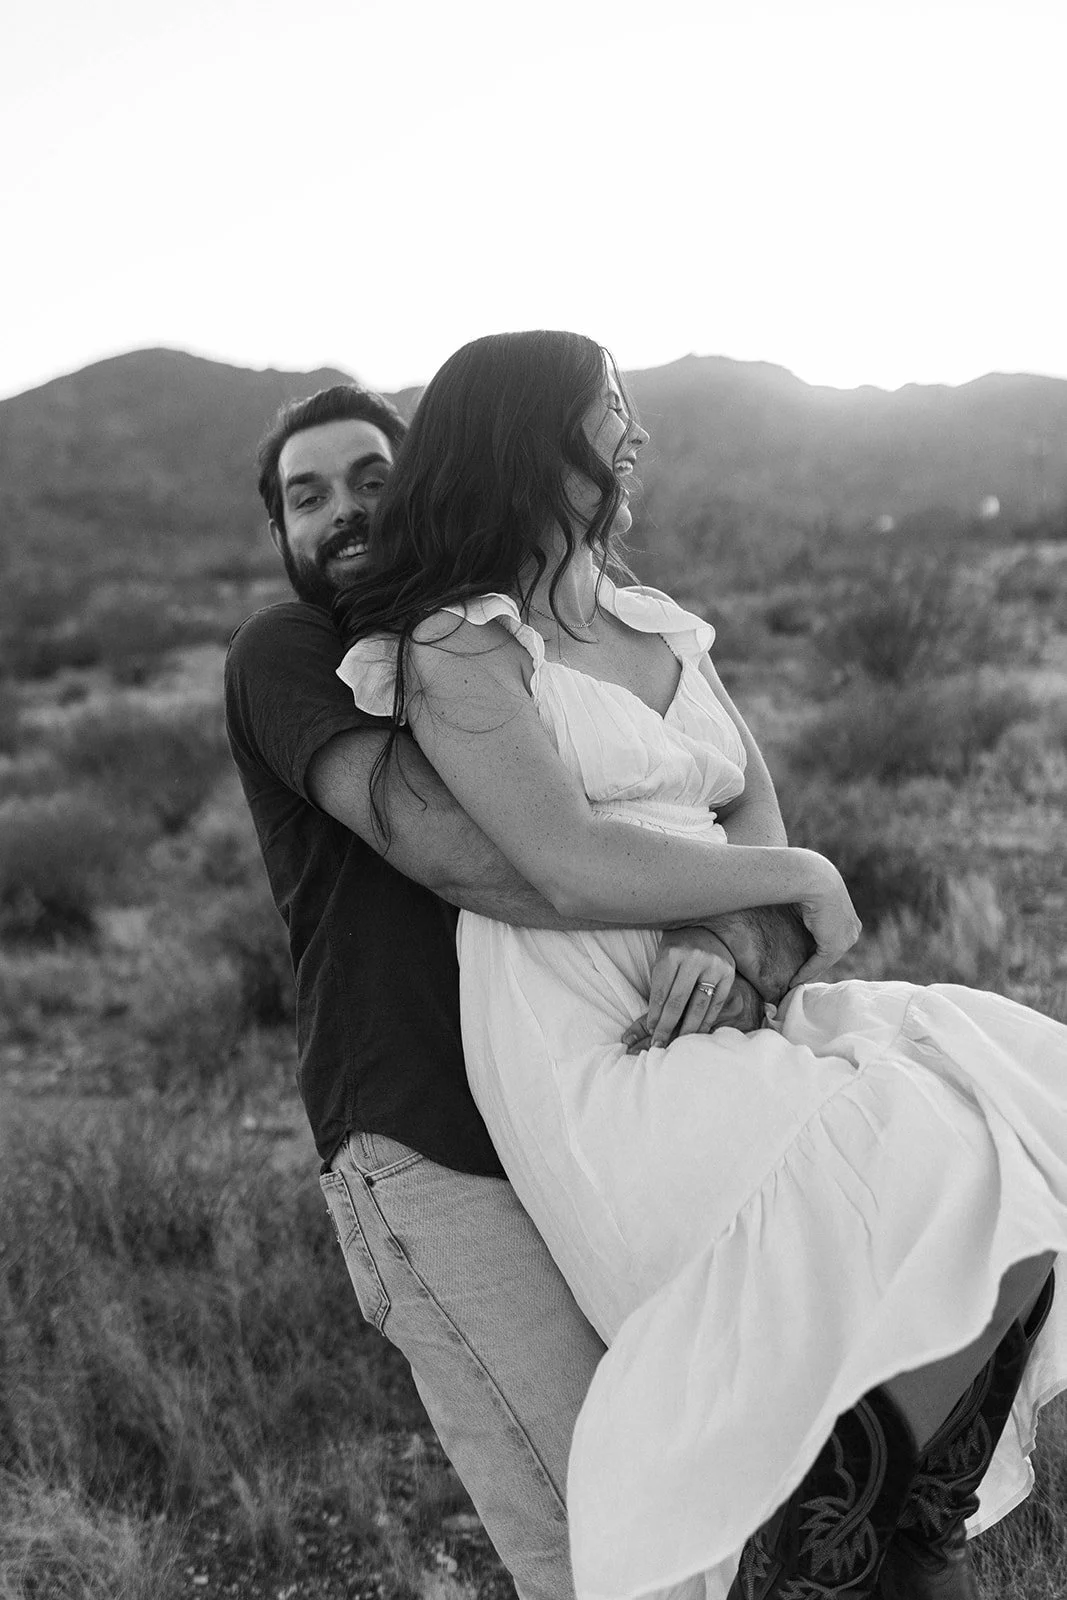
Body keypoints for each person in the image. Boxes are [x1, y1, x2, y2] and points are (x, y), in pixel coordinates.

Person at [332, 329, 1067, 1600]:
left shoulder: (650, 618)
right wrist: (789, 882)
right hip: (593, 1020)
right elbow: (563, 861)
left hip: (726, 972)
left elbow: (749, 803)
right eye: (608, 409)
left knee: (1003, 1116)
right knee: (908, 1155)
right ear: (531, 437)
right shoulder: (459, 646)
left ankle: (888, 1510)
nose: (635, 434)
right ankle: (838, 1534)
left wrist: (734, 930)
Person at [224, 384, 808, 1600]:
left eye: (372, 478)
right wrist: (747, 896)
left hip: (590, 1106)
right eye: (308, 496)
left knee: (711, 1499)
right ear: (278, 530)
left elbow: (681, 793)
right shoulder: (289, 655)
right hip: (427, 1138)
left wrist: (714, 919)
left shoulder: (494, 637)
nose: (345, 512)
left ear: (426, 480)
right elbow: (474, 858)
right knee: (596, 1540)